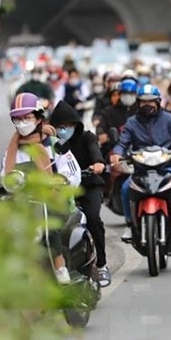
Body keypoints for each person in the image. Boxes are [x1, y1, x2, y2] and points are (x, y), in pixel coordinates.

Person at [1, 93, 81, 285]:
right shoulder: (12, 151)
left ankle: (59, 264)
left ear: (38, 118)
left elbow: (73, 172)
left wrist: (61, 181)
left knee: (48, 223)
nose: (22, 123)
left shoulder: (54, 146)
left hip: (54, 202)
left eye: (27, 117)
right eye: (17, 119)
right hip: (23, 205)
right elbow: (5, 176)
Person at [109, 84, 171, 243]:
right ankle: (130, 224)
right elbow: (122, 143)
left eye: (151, 101)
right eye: (143, 102)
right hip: (140, 169)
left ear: (158, 102)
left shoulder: (170, 119)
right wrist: (117, 154)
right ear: (138, 103)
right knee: (126, 188)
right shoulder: (132, 122)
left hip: (166, 166)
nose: (147, 105)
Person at [49, 100, 111, 287]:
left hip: (88, 186)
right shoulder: (49, 145)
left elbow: (95, 152)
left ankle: (101, 265)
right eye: (59, 127)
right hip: (60, 191)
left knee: (93, 219)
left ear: (76, 125)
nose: (64, 130)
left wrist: (98, 163)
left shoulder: (87, 137)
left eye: (68, 126)